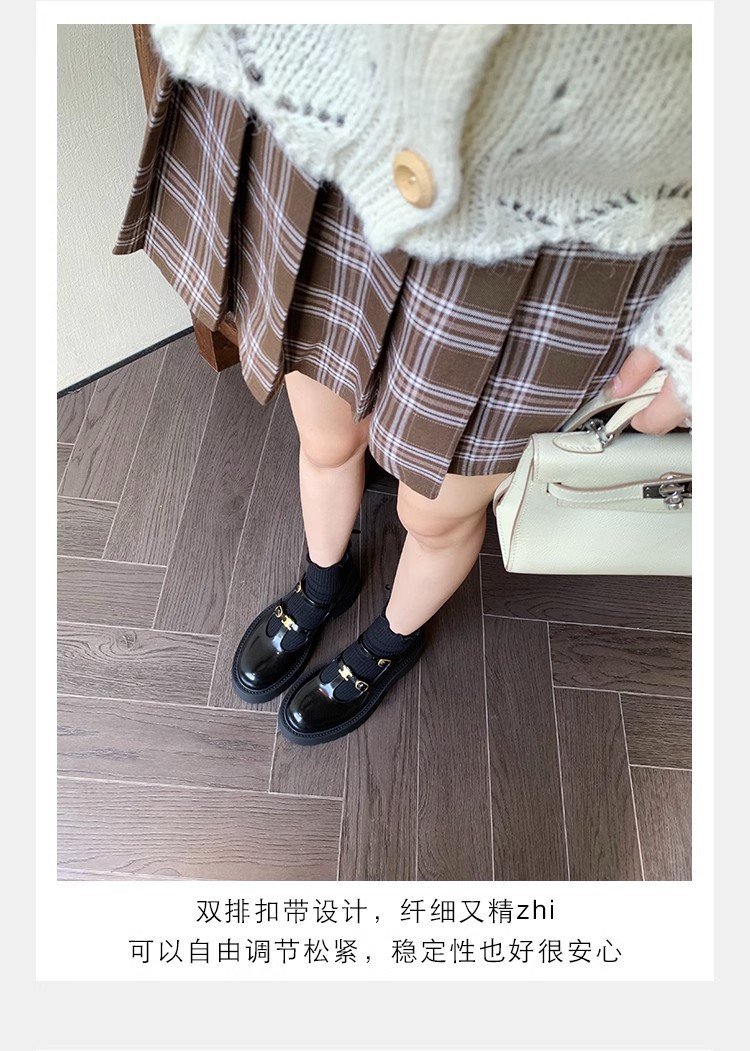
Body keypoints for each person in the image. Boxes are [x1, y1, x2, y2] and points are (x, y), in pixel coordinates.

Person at [116, 23, 692, 746]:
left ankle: (393, 639)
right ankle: (324, 582)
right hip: (342, 127)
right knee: (325, 435)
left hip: (572, 223)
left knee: (438, 511)